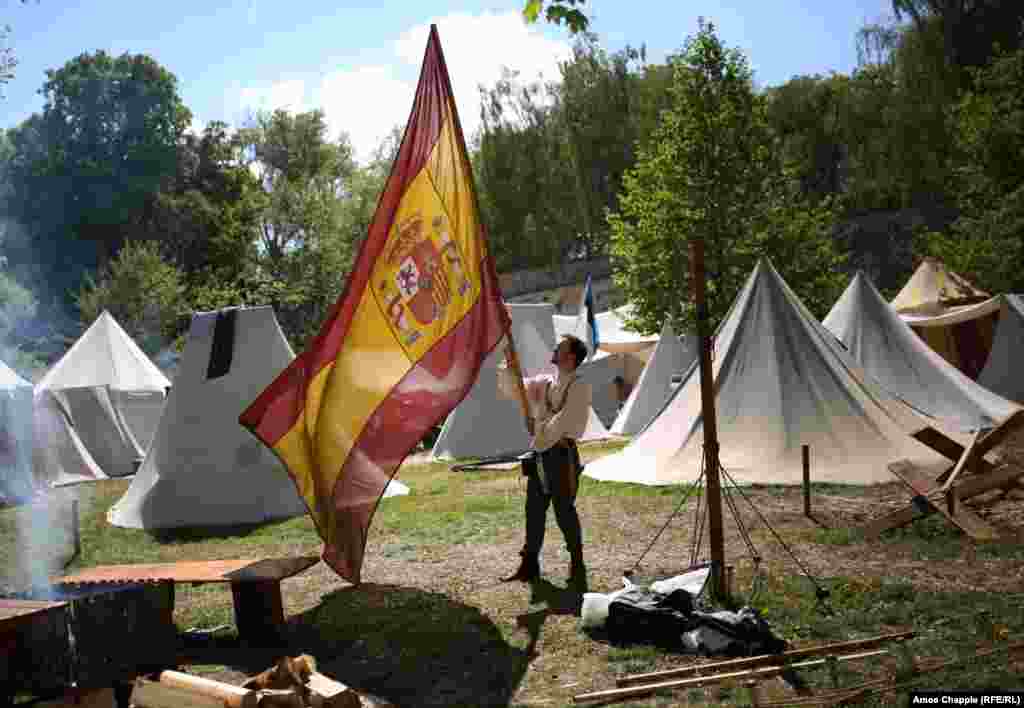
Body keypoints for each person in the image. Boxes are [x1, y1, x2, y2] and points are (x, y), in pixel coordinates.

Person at [498, 334, 592, 590]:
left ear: (570, 357)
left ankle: (577, 563)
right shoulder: (545, 383)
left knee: (564, 512)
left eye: (560, 347)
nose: (555, 349)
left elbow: (566, 420)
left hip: (562, 456)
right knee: (534, 511)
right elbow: (517, 389)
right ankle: (529, 565)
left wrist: (537, 429)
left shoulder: (579, 386)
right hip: (541, 454)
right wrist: (510, 365)